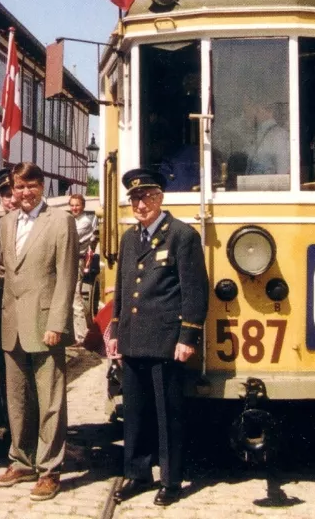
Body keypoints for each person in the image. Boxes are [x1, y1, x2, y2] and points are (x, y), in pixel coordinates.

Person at [108, 168, 208, 507]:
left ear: (160, 198)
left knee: (168, 414)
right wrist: (114, 330)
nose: (140, 204)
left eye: (146, 196)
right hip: (134, 339)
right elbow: (123, 289)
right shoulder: (129, 238)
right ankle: (136, 473)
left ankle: (171, 480)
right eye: (134, 198)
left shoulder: (182, 235)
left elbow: (195, 291)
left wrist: (188, 336)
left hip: (166, 341)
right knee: (134, 413)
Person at [0, 162, 78, 502]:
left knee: (50, 401)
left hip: (45, 326)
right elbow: (3, 270)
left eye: (31, 186)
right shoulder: (6, 222)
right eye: (18, 187)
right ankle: (22, 460)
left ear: (42, 186)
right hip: (12, 323)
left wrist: (57, 323)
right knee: (17, 399)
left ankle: (50, 470)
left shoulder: (60, 220)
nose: (24, 193)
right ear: (12, 188)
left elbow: (67, 275)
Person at [68, 193, 97, 344]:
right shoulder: (74, 220)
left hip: (76, 261)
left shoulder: (84, 222)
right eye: (72, 205)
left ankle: (82, 336)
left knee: (75, 297)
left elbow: (69, 238)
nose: (74, 208)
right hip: (70, 260)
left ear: (83, 206)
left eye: (77, 205)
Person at [243, 101, 288, 175]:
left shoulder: (279, 136)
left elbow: (283, 172)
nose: (246, 115)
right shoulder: (256, 134)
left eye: (247, 111)